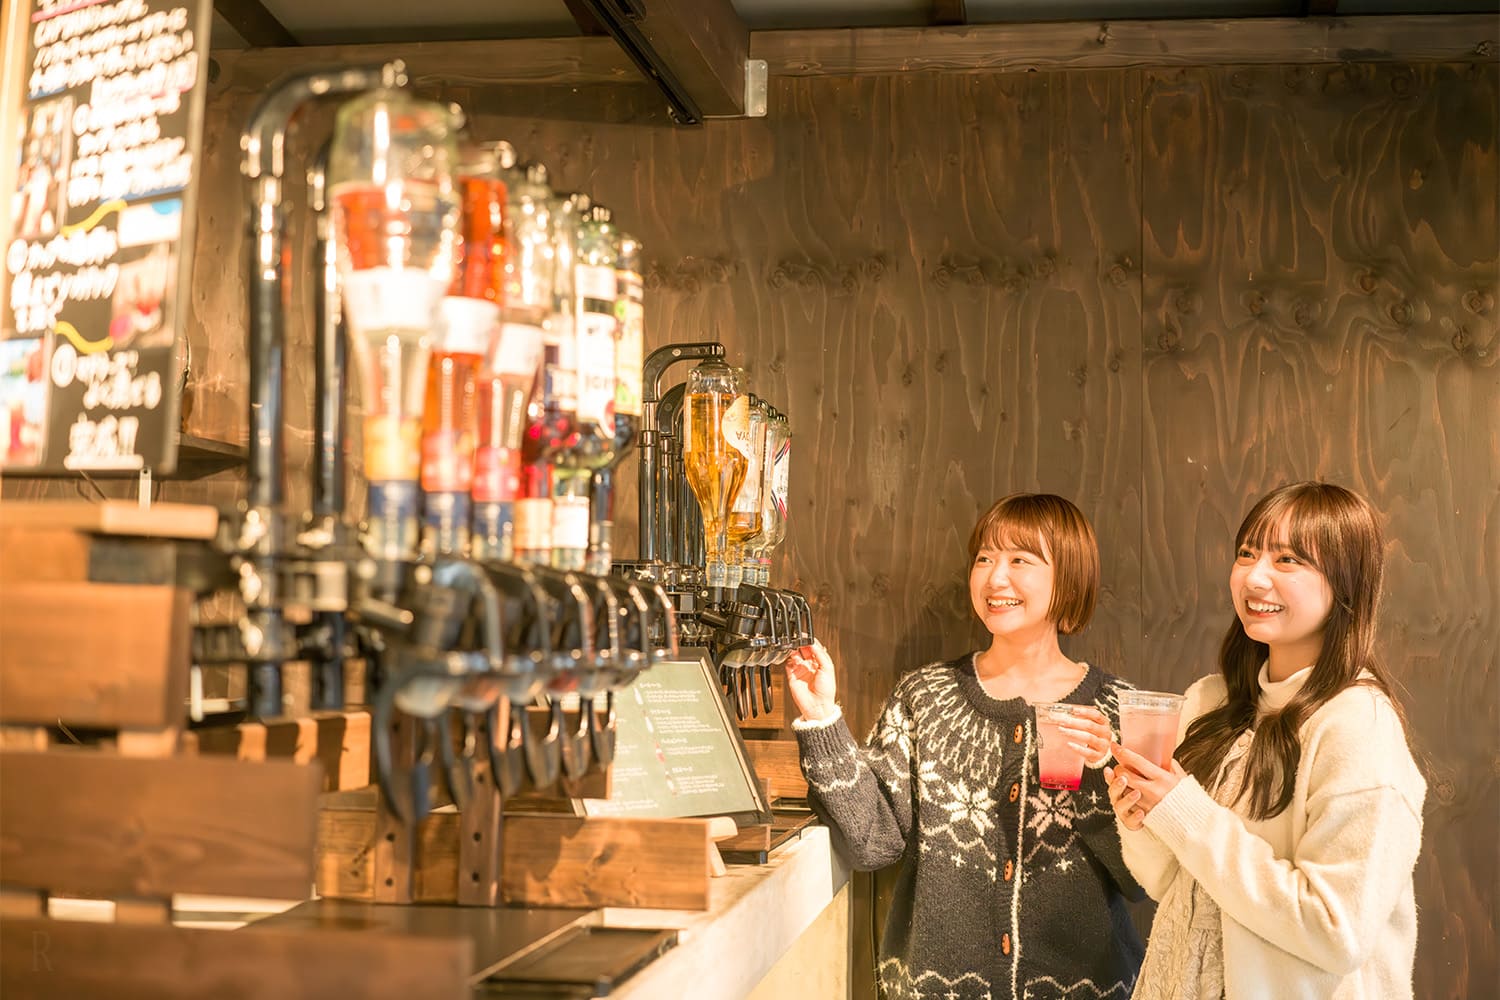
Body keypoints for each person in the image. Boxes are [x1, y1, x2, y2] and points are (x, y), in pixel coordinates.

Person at [785, 493, 1144, 1000]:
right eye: (984, 558)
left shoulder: (1119, 709)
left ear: (1069, 576)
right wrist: (822, 717)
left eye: (1021, 559)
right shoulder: (926, 696)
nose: (996, 579)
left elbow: (1142, 881)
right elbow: (873, 842)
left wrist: (1098, 782)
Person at [1105, 481, 1426, 999]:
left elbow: (1336, 930)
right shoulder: (1211, 703)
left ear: (1346, 583)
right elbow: (1176, 888)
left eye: (1288, 560)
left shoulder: (1357, 724)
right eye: (1247, 553)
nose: (1254, 577)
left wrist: (1185, 811)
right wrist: (1143, 817)